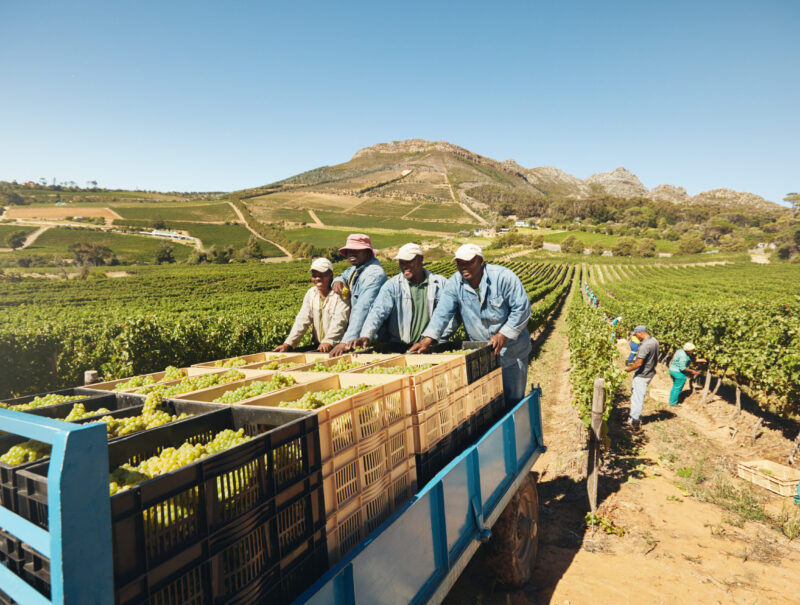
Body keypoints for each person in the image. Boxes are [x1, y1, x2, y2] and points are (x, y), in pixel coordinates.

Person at [408, 244, 531, 406]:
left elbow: (522, 309)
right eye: (460, 263)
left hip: (512, 353)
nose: (463, 267)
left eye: (468, 262)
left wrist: (503, 335)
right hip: (481, 354)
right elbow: (443, 313)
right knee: (486, 403)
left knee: (513, 401)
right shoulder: (454, 284)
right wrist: (427, 339)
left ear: (480, 261)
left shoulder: (503, 277)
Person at [351, 243, 457, 350]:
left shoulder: (440, 283)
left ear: (420, 259)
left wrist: (437, 339)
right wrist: (366, 335)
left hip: (431, 346)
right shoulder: (392, 286)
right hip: (400, 348)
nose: (404, 266)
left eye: (409, 262)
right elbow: (377, 312)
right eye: (401, 263)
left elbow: (451, 314)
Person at [274, 258, 350, 353]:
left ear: (331, 275)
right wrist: (289, 343)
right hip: (320, 346)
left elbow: (340, 320)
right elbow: (302, 320)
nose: (317, 278)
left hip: (340, 347)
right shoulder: (311, 293)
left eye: (321, 275)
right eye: (314, 276)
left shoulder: (340, 294)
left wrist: (329, 341)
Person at [329, 234, 387, 357]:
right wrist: (337, 281)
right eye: (349, 250)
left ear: (368, 252)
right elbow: (343, 275)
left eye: (356, 250)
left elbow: (362, 308)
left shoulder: (373, 274)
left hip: (370, 339)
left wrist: (345, 341)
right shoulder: (356, 269)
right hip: (356, 337)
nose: (351, 253)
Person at [623, 325, 659, 425]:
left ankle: (634, 419)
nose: (636, 337)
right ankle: (635, 416)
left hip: (642, 374)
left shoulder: (645, 345)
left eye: (636, 335)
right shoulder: (655, 341)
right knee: (639, 395)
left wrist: (627, 370)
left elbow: (639, 363)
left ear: (640, 333)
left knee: (637, 397)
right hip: (650, 372)